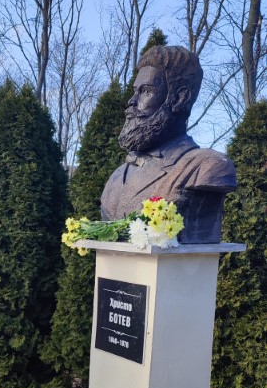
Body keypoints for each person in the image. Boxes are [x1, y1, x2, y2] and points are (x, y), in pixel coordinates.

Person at [101, 45, 237, 243]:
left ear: (180, 98)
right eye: (135, 91)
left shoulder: (207, 167)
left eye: (146, 91)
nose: (131, 101)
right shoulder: (117, 176)